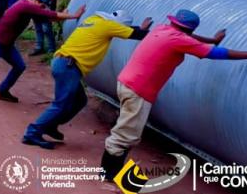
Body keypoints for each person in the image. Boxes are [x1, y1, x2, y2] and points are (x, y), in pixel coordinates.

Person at [100, 9, 247, 180]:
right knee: (127, 133)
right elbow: (215, 53)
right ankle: (109, 172)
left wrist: (212, 39)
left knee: (128, 128)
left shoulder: (163, 29)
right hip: (138, 89)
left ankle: (112, 169)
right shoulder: (179, 40)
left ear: (174, 22)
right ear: (191, 29)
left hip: (127, 81)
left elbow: (189, 39)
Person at [21, 10, 153, 149]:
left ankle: (50, 125)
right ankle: (32, 132)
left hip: (63, 63)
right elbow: (138, 35)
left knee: (79, 100)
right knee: (60, 104)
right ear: (118, 24)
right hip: (69, 67)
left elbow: (126, 30)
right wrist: (146, 30)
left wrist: (137, 28)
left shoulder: (95, 20)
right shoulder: (108, 26)